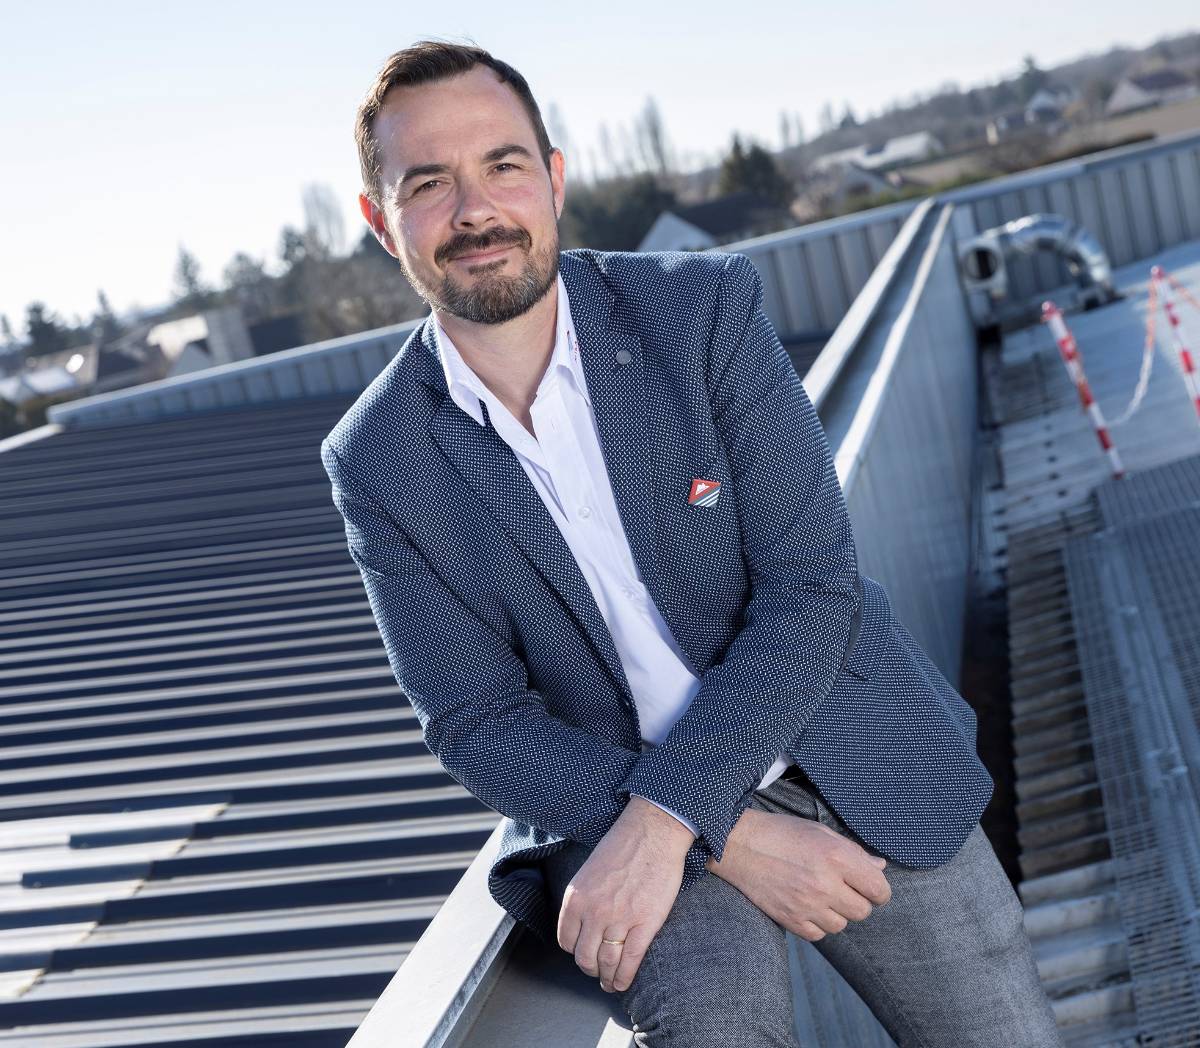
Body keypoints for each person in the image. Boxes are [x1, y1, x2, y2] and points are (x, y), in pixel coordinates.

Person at [321, 38, 1065, 1047]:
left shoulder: (699, 310)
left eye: (502, 165)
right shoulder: (379, 455)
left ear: (554, 178)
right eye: (428, 184)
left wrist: (679, 816)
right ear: (381, 221)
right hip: (618, 805)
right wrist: (730, 837)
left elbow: (812, 590)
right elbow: (476, 721)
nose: (474, 211)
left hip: (838, 739)